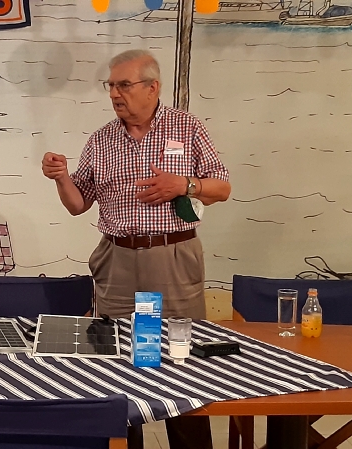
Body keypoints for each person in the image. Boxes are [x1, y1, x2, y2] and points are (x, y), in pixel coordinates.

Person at [41, 49, 230, 449]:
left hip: (172, 257)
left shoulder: (187, 127)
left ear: (152, 87)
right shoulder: (102, 139)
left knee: (180, 361)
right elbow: (78, 204)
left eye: (124, 85)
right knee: (117, 361)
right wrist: (60, 178)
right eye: (111, 86)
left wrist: (184, 185)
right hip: (117, 260)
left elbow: (222, 188)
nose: (115, 94)